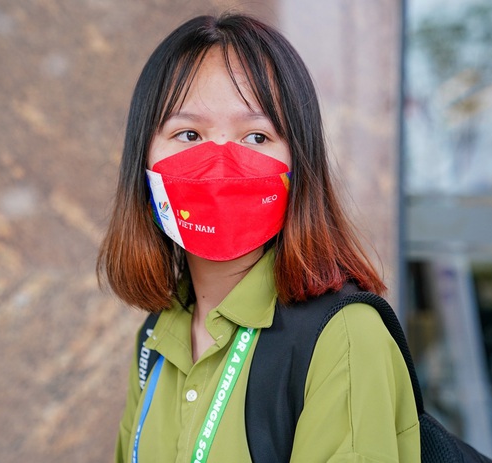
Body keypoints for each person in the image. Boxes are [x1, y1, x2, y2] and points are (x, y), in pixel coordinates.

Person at [98, 13, 419, 463]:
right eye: (189, 134)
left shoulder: (343, 336)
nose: (222, 164)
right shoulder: (155, 337)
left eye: (256, 135)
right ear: (143, 160)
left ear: (299, 162)